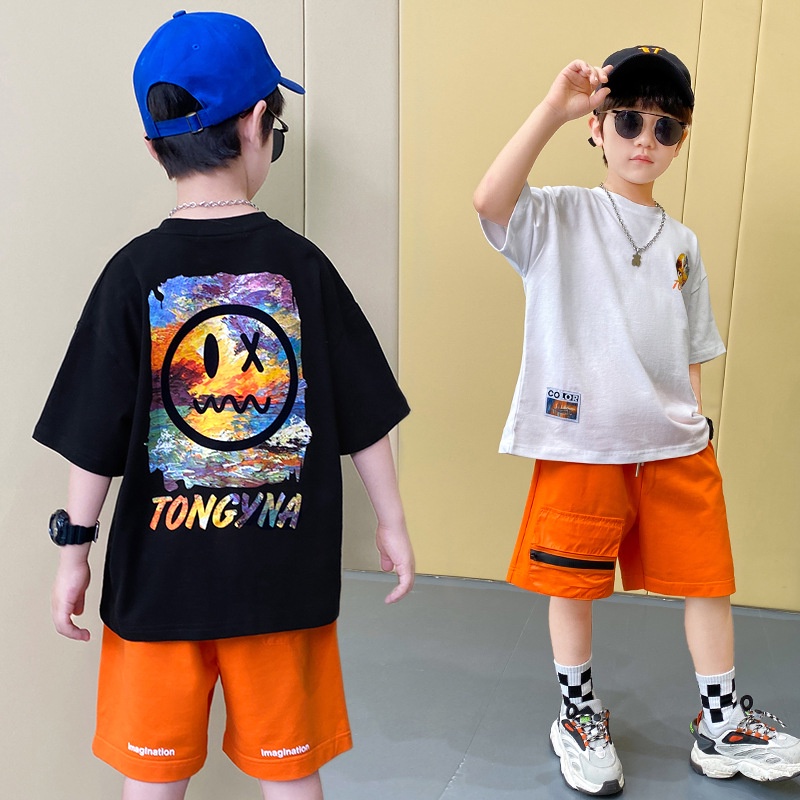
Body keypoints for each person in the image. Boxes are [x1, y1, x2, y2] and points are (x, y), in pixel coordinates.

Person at [34, 11, 414, 800]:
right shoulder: (304, 267)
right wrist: (393, 523)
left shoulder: (130, 274)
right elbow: (366, 414)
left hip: (156, 591)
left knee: (153, 780)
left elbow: (92, 437)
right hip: (282, 587)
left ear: (153, 148)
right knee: (290, 775)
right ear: (258, 124)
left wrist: (74, 552)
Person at [473, 46, 800, 795]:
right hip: (582, 441)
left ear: (680, 140)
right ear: (598, 127)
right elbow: (490, 200)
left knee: (708, 580)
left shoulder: (682, 244)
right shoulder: (559, 214)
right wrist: (553, 110)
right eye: (627, 120)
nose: (645, 139)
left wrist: (695, 418)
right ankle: (578, 715)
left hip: (675, 445)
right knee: (573, 584)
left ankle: (721, 723)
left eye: (665, 127)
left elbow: (692, 346)